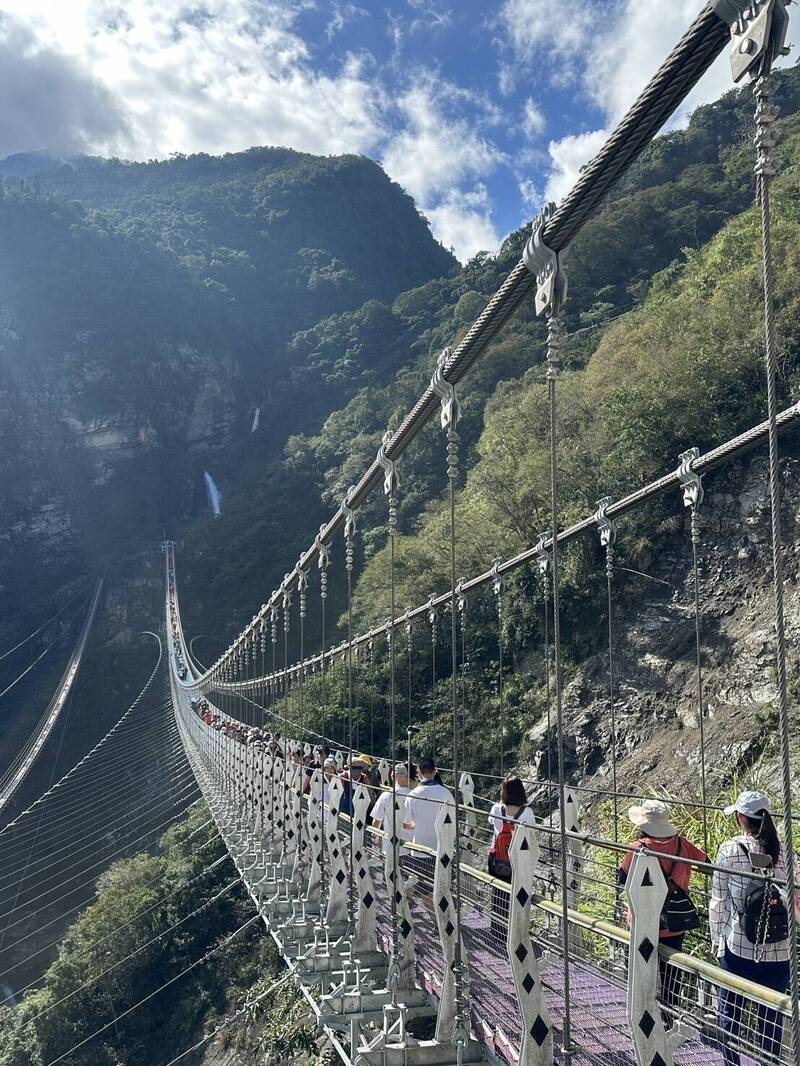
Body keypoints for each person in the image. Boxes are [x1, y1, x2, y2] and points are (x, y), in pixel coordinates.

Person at [710, 791, 791, 1066]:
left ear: (742, 818)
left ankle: (731, 1063)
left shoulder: (730, 850)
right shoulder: (787, 854)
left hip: (739, 949)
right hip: (780, 952)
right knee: (771, 1021)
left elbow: (718, 900)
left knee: (729, 1015)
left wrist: (714, 939)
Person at [618, 800, 707, 1019]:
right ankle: (669, 1020)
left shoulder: (638, 848)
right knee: (671, 979)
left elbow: (621, 877)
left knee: (639, 974)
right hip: (674, 923)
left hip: (643, 922)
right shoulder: (683, 846)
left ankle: (641, 1017)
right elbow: (706, 864)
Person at [487, 777, 536, 945]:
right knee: (518, 895)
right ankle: (517, 932)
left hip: (497, 860)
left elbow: (492, 823)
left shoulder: (496, 808)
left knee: (499, 893)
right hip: (519, 861)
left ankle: (498, 931)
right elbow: (532, 834)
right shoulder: (527, 813)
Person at [403, 756, 454, 891]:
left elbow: (407, 823)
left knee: (425, 890)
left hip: (421, 848)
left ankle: (431, 912)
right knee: (442, 890)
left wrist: (416, 824)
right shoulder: (447, 793)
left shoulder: (412, 795)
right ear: (435, 771)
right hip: (442, 849)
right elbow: (453, 822)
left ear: (418, 773)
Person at [371, 763, 413, 856]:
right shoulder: (413, 796)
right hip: (410, 847)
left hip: (389, 846)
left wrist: (375, 838)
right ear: (406, 777)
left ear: (392, 776)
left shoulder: (386, 796)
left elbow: (376, 821)